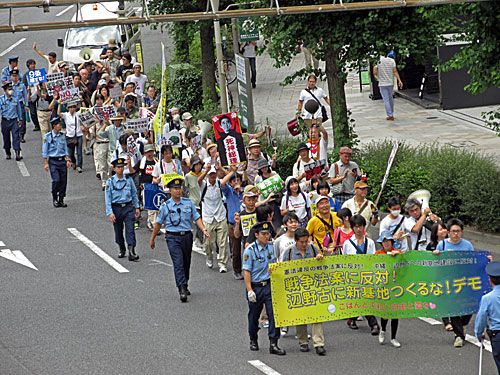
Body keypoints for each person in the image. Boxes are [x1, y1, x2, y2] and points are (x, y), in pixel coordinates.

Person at [150, 177, 210, 302]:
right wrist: (153, 238)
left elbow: (196, 217)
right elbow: (158, 223)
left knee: (186, 262)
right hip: (173, 237)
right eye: (175, 189)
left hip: (187, 236)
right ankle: (181, 288)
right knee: (178, 263)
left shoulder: (188, 203)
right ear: (170, 190)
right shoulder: (166, 206)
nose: (178, 191)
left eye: (179, 188)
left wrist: (203, 229)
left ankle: (185, 283)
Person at [282, 227, 328, 355]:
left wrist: (320, 258)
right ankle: (303, 341)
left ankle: (319, 343)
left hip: (312, 287)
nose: (304, 244)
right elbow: (283, 270)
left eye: (305, 241)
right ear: (295, 240)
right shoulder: (289, 252)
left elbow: (321, 267)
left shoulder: (313, 249)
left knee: (316, 315)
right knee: (300, 316)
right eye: (301, 242)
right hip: (297, 289)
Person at [243, 221, 286, 355]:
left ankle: (274, 343)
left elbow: (276, 263)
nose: (266, 236)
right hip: (255, 287)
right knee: (254, 315)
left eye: (268, 234)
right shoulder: (249, 250)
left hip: (269, 286)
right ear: (256, 235)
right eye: (263, 234)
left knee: (274, 314)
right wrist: (249, 290)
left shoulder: (271, 247)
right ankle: (253, 338)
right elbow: (246, 271)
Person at [433, 218, 477, 347]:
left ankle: (461, 325)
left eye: (458, 231)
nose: (455, 234)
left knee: (468, 309)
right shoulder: (443, 245)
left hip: (464, 282)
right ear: (448, 232)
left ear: (462, 232)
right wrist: (435, 255)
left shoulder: (467, 245)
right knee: (453, 308)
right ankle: (459, 336)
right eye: (453, 231)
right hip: (449, 283)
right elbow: (437, 263)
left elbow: (474, 261)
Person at [343, 215, 379, 334]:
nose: (358, 229)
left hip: (367, 275)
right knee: (358, 298)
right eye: (356, 227)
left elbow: (373, 258)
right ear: (353, 228)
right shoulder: (348, 243)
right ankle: (371, 323)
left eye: (360, 226)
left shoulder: (370, 242)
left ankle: (368, 322)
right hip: (353, 276)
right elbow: (345, 260)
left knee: (365, 298)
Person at [105, 157, 141, 261]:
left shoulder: (129, 180)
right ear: (114, 168)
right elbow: (108, 199)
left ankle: (131, 250)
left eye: (122, 167)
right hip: (116, 208)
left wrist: (137, 207)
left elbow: (134, 194)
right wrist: (110, 213)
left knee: (130, 230)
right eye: (118, 167)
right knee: (118, 231)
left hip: (128, 207)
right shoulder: (110, 182)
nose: (120, 169)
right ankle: (121, 247)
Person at [198, 164, 229, 273]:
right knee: (208, 242)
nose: (212, 176)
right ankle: (209, 257)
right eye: (210, 174)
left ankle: (223, 263)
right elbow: (198, 180)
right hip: (208, 217)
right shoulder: (204, 185)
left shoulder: (220, 183)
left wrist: (221, 168)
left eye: (214, 174)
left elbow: (229, 175)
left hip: (220, 216)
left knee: (223, 242)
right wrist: (206, 171)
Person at [375, 231, 402, 348]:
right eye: (384, 241)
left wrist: (398, 257)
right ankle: (383, 330)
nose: (386, 243)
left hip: (396, 287)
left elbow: (405, 265)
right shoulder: (378, 254)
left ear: (392, 242)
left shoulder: (398, 253)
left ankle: (393, 337)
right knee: (385, 312)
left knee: (395, 313)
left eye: (388, 241)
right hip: (383, 287)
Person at [475, 261, 500, 374]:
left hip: (497, 335)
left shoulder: (487, 298)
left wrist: (479, 334)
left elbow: (481, 318)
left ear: (490, 280)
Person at [221, 166, 245, 279]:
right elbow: (222, 183)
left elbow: (254, 198)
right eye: (234, 181)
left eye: (238, 180)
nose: (236, 183)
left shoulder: (245, 191)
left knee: (248, 247)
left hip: (246, 224)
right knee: (235, 249)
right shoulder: (229, 191)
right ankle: (237, 270)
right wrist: (232, 172)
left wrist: (241, 190)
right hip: (233, 224)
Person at [42, 116, 71, 207]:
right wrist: (46, 163)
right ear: (54, 126)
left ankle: (61, 199)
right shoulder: (48, 137)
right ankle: (55, 197)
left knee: (63, 181)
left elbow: (65, 149)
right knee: (56, 180)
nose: (60, 126)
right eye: (58, 124)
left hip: (62, 161)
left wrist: (68, 160)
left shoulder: (62, 136)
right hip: (53, 161)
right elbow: (45, 151)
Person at [131, 144, 157, 230]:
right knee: (147, 205)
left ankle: (151, 223)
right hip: (145, 187)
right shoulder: (141, 162)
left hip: (155, 186)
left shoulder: (157, 162)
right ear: (144, 153)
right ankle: (148, 223)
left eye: (151, 151)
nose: (149, 153)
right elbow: (133, 171)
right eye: (147, 152)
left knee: (154, 206)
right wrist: (128, 165)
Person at [373, 51, 403, 121]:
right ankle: (391, 112)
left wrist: (378, 76)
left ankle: (390, 115)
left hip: (382, 83)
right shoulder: (392, 61)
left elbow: (374, 72)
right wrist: (399, 80)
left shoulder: (378, 61)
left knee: (386, 99)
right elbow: (395, 71)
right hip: (390, 82)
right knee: (390, 98)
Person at [183, 156, 204, 247]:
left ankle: (198, 238)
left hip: (204, 202)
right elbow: (184, 189)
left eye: (200, 164)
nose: (198, 167)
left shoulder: (204, 175)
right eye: (196, 165)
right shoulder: (188, 176)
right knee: (198, 221)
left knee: (203, 221)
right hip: (194, 203)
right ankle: (200, 240)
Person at [57, 100, 83, 172]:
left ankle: (79, 166)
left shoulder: (78, 114)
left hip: (78, 134)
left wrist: (82, 100)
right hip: (70, 136)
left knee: (79, 152)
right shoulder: (66, 115)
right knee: (71, 153)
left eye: (73, 107)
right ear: (68, 108)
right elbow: (58, 113)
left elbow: (84, 110)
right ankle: (73, 161)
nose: (72, 109)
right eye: (70, 107)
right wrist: (59, 103)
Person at [1, 82, 23, 160]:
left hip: (14, 121)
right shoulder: (1, 100)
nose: (11, 91)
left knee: (16, 137)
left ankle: (17, 153)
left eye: (11, 89)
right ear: (5, 90)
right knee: (6, 138)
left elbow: (19, 110)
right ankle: (7, 152)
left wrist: (20, 119)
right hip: (5, 121)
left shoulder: (15, 99)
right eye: (9, 89)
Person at [10, 69, 28, 143]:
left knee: (22, 119)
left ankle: (22, 135)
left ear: (18, 76)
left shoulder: (22, 85)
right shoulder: (9, 86)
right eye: (13, 76)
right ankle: (15, 134)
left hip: (20, 104)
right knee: (14, 120)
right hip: (12, 105)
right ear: (11, 77)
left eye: (16, 76)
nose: (15, 77)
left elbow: (25, 95)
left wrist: (27, 105)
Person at [23, 59, 40, 132]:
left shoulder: (39, 72)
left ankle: (41, 123)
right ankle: (36, 124)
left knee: (41, 108)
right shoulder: (26, 75)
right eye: (31, 64)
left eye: (33, 64)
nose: (33, 66)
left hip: (39, 92)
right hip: (31, 94)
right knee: (33, 111)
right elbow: (24, 85)